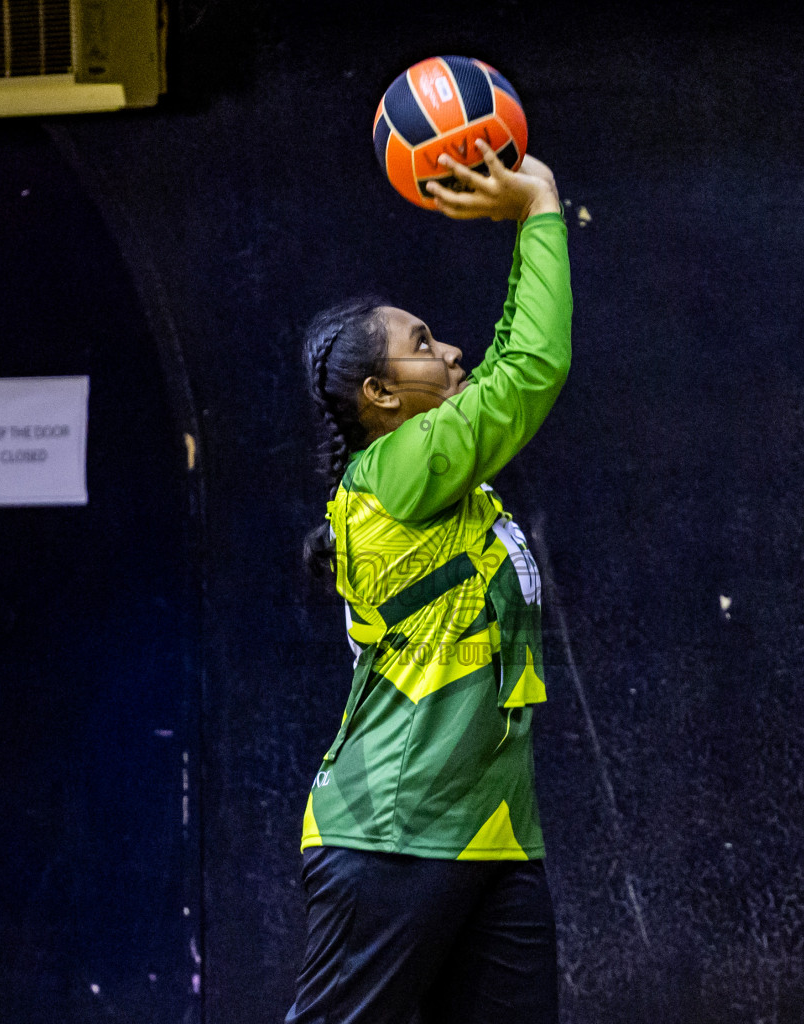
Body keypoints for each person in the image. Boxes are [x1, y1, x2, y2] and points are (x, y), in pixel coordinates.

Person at [286, 140, 569, 1024]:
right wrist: (538, 210)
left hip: (495, 832)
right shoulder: (393, 475)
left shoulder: (450, 485)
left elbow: (501, 366)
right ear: (378, 396)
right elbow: (526, 369)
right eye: (421, 344)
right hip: (394, 832)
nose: (450, 349)